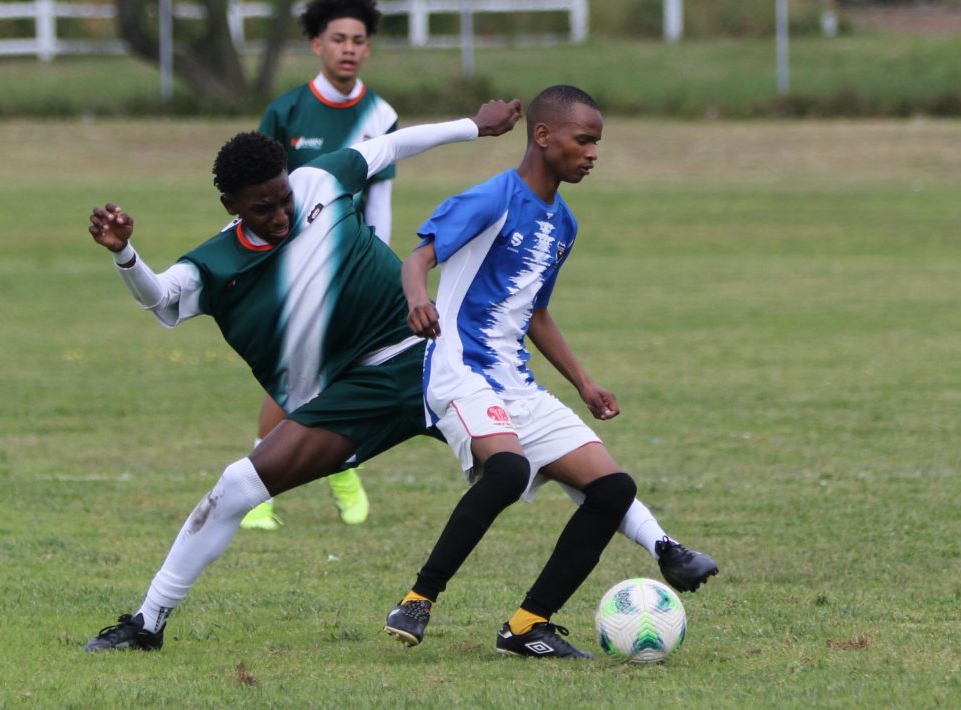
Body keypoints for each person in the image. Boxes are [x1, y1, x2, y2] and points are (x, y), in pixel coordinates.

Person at [82, 98, 524, 652]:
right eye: (262, 208)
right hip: (356, 393)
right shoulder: (215, 264)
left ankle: (547, 610)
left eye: (284, 199)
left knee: (544, 459)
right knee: (237, 486)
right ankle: (147, 623)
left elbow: (392, 146)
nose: (280, 215)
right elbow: (160, 296)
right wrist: (125, 254)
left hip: (432, 359)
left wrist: (473, 127)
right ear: (231, 205)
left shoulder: (320, 180)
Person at [383, 85, 718, 659]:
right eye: (583, 140)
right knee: (508, 470)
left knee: (612, 489)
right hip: (459, 369)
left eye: (597, 143)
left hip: (515, 382)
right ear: (543, 136)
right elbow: (419, 258)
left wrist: (583, 382)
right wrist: (418, 300)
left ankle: (528, 624)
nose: (593, 153)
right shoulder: (492, 198)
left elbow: (535, 313)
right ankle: (418, 599)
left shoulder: (563, 224)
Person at [245, 0, 398, 530]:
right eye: (338, 39)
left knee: (344, 372)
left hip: (354, 266)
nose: (348, 49)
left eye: (357, 40)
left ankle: (338, 466)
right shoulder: (286, 112)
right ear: (317, 45)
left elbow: (380, 200)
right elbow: (255, 196)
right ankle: (264, 488)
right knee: (295, 372)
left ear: (367, 49)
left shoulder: (380, 116)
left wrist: (378, 268)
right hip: (294, 265)